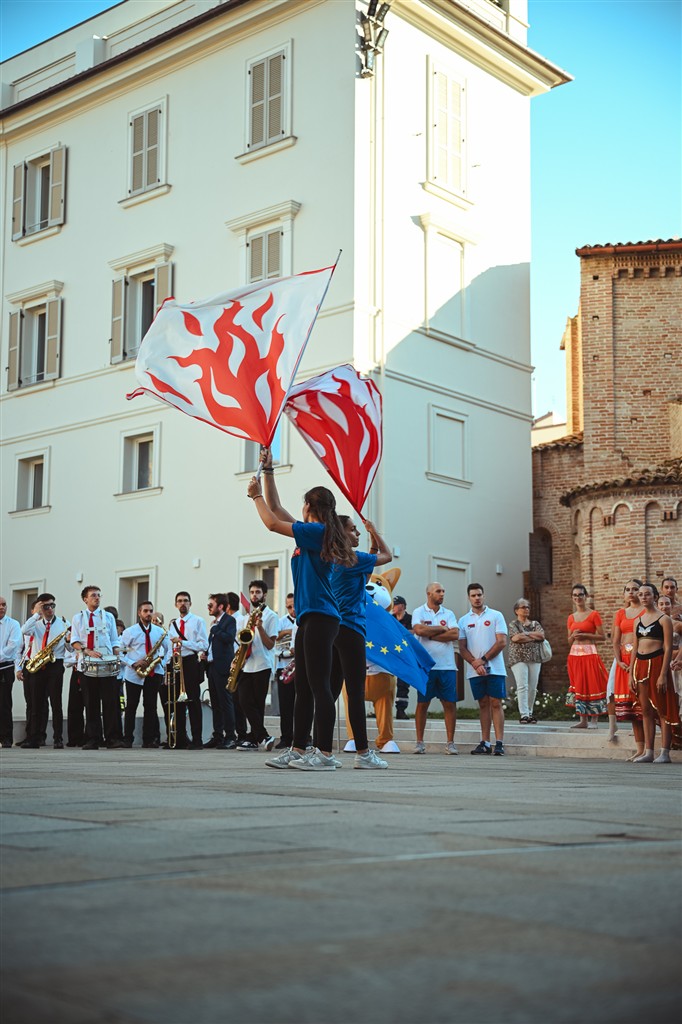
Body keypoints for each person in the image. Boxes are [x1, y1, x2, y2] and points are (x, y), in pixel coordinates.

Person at [248, 451, 356, 772]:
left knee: (319, 686)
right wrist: (269, 470)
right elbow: (277, 509)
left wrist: (254, 496)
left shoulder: (317, 532)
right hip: (310, 617)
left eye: (303, 504)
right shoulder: (313, 531)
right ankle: (297, 748)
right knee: (303, 687)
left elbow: (271, 522)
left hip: (322, 617)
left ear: (309, 506)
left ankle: (324, 753)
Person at [330, 516, 392, 769]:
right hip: (351, 628)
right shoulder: (352, 559)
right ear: (342, 534)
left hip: (332, 629)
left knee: (330, 691)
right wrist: (374, 531)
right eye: (353, 530)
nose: (357, 533)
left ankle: (321, 751)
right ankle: (363, 753)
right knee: (356, 691)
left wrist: (370, 544)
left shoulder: (331, 559)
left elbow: (366, 572)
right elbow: (387, 556)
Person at [630, 582, 679, 764]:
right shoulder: (637, 621)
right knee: (646, 710)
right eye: (641, 594)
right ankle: (648, 751)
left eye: (647, 594)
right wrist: (630, 674)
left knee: (663, 708)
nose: (643, 597)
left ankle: (665, 752)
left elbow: (668, 648)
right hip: (640, 666)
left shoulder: (664, 619)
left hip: (658, 664)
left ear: (655, 597)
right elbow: (635, 649)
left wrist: (663, 674)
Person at [70, 586, 124, 750]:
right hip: (87, 664)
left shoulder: (108, 617)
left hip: (106, 664)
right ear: (85, 599)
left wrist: (116, 654)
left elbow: (114, 639)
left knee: (110, 702)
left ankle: (112, 738)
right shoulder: (78, 618)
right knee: (91, 703)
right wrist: (86, 651)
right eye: (93, 595)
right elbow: (74, 641)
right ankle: (93, 738)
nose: (97, 598)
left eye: (99, 595)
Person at [458, 583, 508, 755]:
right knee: (483, 704)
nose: (477, 598)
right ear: (469, 597)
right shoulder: (463, 620)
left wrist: (483, 660)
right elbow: (462, 647)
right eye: (473, 595)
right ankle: (485, 743)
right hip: (475, 670)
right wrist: (475, 663)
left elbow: (501, 642)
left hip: (495, 668)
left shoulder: (496, 615)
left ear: (483, 595)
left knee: (496, 702)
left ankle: (499, 743)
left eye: (479, 595)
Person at [412, 582, 461, 755]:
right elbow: (418, 630)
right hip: (426, 666)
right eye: (438, 591)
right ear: (429, 594)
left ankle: (450, 743)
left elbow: (455, 634)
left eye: (443, 591)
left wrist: (431, 635)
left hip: (447, 666)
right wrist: (441, 628)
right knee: (422, 703)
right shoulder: (419, 611)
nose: (442, 594)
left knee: (449, 703)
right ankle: (419, 742)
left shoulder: (449, 613)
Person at [233, 580, 279, 751]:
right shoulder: (245, 618)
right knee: (244, 700)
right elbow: (240, 642)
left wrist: (260, 628)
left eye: (258, 592)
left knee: (258, 704)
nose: (254, 595)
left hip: (263, 664)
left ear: (264, 595)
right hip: (247, 665)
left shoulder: (271, 616)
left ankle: (252, 739)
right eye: (252, 592)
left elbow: (270, 645)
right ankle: (263, 736)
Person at [20, 594, 70, 749]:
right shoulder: (35, 623)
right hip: (38, 664)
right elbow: (24, 630)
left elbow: (70, 648)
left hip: (55, 664)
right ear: (41, 607)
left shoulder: (63, 623)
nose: (50, 609)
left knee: (56, 702)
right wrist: (37, 614)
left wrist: (69, 641)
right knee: (36, 703)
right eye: (46, 606)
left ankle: (58, 738)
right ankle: (34, 738)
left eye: (52, 605)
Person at [120, 601, 170, 748]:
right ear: (139, 613)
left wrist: (161, 662)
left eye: (150, 611)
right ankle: (127, 739)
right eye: (145, 611)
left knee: (151, 706)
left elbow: (169, 649)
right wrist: (133, 663)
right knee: (131, 706)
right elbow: (119, 652)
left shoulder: (159, 631)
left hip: (154, 672)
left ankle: (148, 740)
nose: (148, 614)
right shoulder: (130, 631)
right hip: (134, 673)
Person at [165, 591, 208, 749]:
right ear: (175, 604)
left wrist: (183, 642)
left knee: (193, 702)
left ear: (190, 603)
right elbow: (170, 647)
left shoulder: (198, 621)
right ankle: (180, 739)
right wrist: (167, 666)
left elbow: (203, 645)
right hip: (176, 663)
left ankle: (197, 739)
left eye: (185, 601)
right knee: (177, 703)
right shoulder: (173, 624)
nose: (182, 603)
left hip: (190, 662)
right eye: (180, 601)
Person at [565, 584, 608, 729]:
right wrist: (573, 636)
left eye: (580, 595)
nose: (578, 598)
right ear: (572, 598)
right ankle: (582, 719)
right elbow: (569, 641)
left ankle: (594, 720)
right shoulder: (571, 617)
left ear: (586, 596)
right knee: (579, 684)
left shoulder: (594, 614)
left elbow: (602, 636)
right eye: (575, 595)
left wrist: (585, 635)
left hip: (589, 653)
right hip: (574, 655)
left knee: (592, 683)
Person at [611, 579, 645, 757]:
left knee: (643, 706)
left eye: (635, 589)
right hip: (623, 660)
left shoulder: (646, 611)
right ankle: (640, 749)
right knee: (632, 710)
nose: (631, 592)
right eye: (628, 589)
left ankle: (650, 748)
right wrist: (618, 661)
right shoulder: (620, 613)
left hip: (641, 658)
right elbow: (616, 641)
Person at [203, 593, 237, 749]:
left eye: (211, 605)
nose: (208, 608)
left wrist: (215, 629)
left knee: (225, 702)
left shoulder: (229, 620)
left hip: (222, 667)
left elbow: (229, 638)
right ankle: (218, 735)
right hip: (212, 666)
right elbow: (213, 645)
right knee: (215, 703)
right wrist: (206, 654)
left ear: (221, 606)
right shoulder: (214, 623)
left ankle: (230, 736)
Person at [16, 598, 49, 748]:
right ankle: (30, 734)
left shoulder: (46, 626)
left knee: (41, 702)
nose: (43, 610)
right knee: (30, 702)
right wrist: (18, 668)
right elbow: (19, 649)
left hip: (41, 665)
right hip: (28, 664)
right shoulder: (29, 625)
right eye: (40, 607)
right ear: (32, 610)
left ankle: (40, 735)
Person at [507, 599, 545, 724]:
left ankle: (530, 712)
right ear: (516, 610)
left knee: (533, 687)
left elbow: (541, 636)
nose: (526, 609)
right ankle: (524, 714)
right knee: (522, 685)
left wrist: (525, 634)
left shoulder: (535, 623)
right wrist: (533, 636)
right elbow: (516, 638)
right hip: (518, 658)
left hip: (535, 658)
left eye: (528, 607)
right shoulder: (513, 624)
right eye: (523, 607)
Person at [274, 593, 297, 749]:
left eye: (294, 606)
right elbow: (274, 643)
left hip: (301, 667)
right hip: (284, 666)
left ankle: (304, 737)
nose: (292, 610)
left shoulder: (304, 619)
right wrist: (287, 632)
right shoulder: (281, 622)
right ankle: (286, 738)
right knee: (285, 705)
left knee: (303, 704)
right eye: (289, 607)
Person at [0, 597, 22, 748]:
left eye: (4, 605)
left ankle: (6, 737)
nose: (2, 607)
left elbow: (13, 646)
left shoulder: (13, 624)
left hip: (5, 667)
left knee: (4, 703)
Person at [390, 596, 412, 720]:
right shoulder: (390, 619)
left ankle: (401, 710)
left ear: (402, 606)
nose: (393, 607)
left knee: (403, 684)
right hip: (391, 655)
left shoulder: (410, 619)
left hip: (405, 656)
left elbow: (413, 633)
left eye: (395, 604)